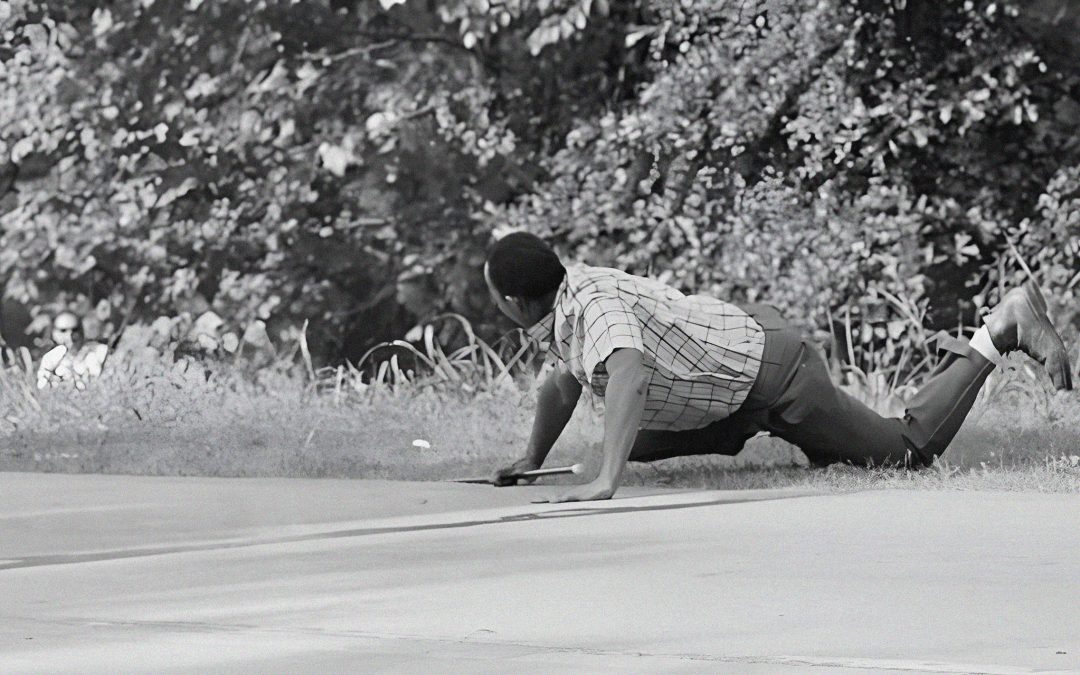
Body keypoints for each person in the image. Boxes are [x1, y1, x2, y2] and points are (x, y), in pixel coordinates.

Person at [485, 232, 1073, 503]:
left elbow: (631, 374)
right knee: (626, 440)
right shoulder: (569, 299)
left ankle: (1001, 329)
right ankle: (775, 433)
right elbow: (563, 382)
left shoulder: (592, 304)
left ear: (513, 301)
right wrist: (532, 459)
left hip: (775, 375)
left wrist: (603, 482)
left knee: (906, 450)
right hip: (738, 364)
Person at [36, 311, 109, 390]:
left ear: (82, 331)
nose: (70, 335)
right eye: (63, 330)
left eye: (75, 330)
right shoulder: (51, 358)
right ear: (54, 334)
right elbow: (42, 385)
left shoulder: (98, 350)